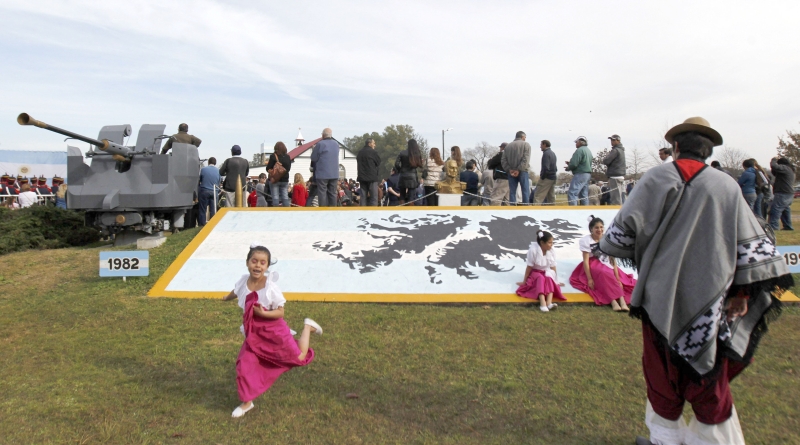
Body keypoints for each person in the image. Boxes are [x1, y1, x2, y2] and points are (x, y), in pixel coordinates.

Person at [599, 116, 792, 445]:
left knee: (661, 370)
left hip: (659, 295)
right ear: (708, 151)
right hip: (713, 295)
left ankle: (665, 439)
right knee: (707, 372)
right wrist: (742, 294)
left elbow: (619, 237)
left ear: (675, 147)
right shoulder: (726, 186)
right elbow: (749, 247)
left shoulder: (654, 178)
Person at [222, 243, 322, 418]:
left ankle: (308, 327)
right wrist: (226, 297)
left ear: (267, 266)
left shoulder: (270, 287)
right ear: (247, 263)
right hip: (254, 334)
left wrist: (264, 314)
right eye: (254, 261)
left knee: (299, 357)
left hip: (274, 331)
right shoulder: (243, 281)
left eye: (263, 263)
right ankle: (247, 403)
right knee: (244, 364)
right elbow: (236, 291)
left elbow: (280, 311)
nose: (258, 266)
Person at [569, 215, 634, 312]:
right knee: (604, 274)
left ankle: (621, 300)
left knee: (612, 275)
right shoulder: (586, 241)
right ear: (591, 229)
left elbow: (612, 259)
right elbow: (586, 261)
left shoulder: (608, 238)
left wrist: (617, 278)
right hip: (593, 263)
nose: (599, 230)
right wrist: (589, 278)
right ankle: (613, 301)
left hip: (607, 262)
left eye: (601, 227)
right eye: (596, 228)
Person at [515, 231, 565, 312]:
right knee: (540, 278)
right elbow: (529, 267)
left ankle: (549, 303)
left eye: (552, 242)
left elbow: (553, 266)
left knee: (549, 278)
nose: (551, 245)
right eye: (549, 243)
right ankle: (542, 303)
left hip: (546, 270)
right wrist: (524, 281)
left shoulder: (551, 251)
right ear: (542, 242)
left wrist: (556, 280)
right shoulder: (533, 251)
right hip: (535, 272)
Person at [310, 128, 340, 207]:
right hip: (334, 173)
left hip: (322, 173)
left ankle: (323, 210)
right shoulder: (336, 144)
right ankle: (333, 209)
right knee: (333, 193)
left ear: (323, 135)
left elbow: (313, 158)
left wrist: (314, 150)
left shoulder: (320, 144)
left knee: (322, 193)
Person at [502, 131, 532, 205]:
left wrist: (509, 169)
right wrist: (519, 169)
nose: (525, 139)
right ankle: (525, 207)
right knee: (525, 191)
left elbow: (503, 160)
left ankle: (512, 207)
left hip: (511, 172)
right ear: (522, 137)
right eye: (525, 137)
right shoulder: (526, 145)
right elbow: (526, 159)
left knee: (512, 191)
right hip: (523, 171)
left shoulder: (508, 146)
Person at [768, 156, 795, 231]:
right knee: (785, 210)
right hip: (789, 193)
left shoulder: (785, 168)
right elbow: (775, 171)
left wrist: (773, 160)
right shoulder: (790, 170)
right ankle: (788, 226)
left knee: (775, 209)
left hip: (782, 192)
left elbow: (774, 166)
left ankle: (773, 226)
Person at [565, 136, 592, 205]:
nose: (575, 144)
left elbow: (574, 164)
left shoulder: (579, 150)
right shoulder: (588, 150)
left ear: (581, 142)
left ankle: (573, 210)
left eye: (576, 142)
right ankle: (585, 210)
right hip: (587, 174)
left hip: (580, 174)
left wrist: (568, 167)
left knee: (572, 193)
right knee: (584, 195)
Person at [395, 139, 423, 205]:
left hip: (403, 175)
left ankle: (401, 208)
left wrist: (400, 170)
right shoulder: (417, 154)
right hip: (412, 176)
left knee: (402, 195)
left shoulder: (402, 153)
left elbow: (396, 164)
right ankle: (410, 209)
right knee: (411, 197)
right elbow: (420, 164)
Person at [356, 138, 381, 206]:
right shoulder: (373, 152)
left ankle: (363, 211)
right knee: (373, 197)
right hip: (372, 177)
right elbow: (378, 162)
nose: (375, 145)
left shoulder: (360, 152)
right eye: (374, 143)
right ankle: (373, 211)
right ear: (369, 144)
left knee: (363, 197)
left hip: (362, 177)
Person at [602, 134, 627, 205]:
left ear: (618, 140)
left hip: (615, 176)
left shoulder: (615, 150)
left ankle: (617, 211)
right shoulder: (622, 150)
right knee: (621, 197)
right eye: (611, 140)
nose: (611, 142)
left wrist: (606, 158)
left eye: (613, 140)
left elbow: (606, 161)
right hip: (621, 176)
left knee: (615, 199)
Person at [267, 142, 292, 207]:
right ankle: (286, 210)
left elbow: (268, 168)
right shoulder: (287, 157)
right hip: (285, 180)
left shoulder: (273, 156)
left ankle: (276, 210)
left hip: (275, 180)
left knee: (275, 196)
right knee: (285, 196)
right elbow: (288, 169)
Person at [533, 140, 557, 205]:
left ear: (544, 145)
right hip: (553, 177)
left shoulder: (546, 154)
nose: (540, 146)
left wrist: (542, 177)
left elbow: (546, 167)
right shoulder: (553, 153)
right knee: (551, 197)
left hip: (547, 178)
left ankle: (535, 209)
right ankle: (552, 209)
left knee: (538, 196)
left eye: (541, 145)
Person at [198, 157, 220, 225]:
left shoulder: (203, 169)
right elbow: (219, 181)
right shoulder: (218, 171)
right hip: (214, 191)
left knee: (202, 209)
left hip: (204, 190)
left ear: (208, 162)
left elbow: (200, 180)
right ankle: (212, 224)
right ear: (215, 163)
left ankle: (202, 224)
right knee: (213, 210)